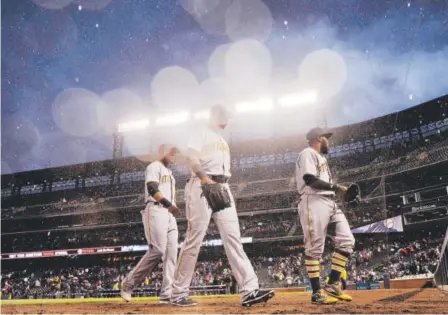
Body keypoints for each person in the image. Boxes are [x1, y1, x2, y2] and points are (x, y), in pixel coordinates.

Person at [170, 105, 275, 307]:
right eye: (223, 115)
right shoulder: (200, 132)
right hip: (201, 185)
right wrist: (204, 178)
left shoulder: (222, 140)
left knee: (234, 239)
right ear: (213, 115)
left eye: (228, 117)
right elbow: (191, 157)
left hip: (223, 186)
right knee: (194, 239)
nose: (226, 120)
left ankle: (249, 290)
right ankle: (178, 293)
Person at [295, 127, 355, 304]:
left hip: (329, 202)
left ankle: (333, 283)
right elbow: (309, 179)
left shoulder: (322, 158)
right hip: (312, 201)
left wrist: (341, 193)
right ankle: (316, 293)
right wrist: (337, 188)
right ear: (319, 138)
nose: (329, 141)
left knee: (347, 241)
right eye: (326, 138)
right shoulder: (307, 153)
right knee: (314, 248)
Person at [120, 144, 180, 303]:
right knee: (158, 250)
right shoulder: (154, 166)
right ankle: (128, 283)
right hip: (156, 209)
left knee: (171, 255)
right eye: (172, 153)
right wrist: (168, 203)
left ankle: (167, 295)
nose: (174, 156)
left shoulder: (170, 173)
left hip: (169, 215)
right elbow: (152, 188)